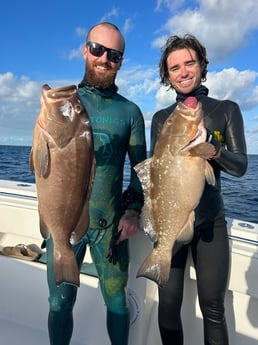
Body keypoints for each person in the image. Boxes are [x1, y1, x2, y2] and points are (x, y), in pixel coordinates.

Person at [45, 22, 146, 345]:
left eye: (114, 55)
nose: (105, 59)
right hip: (66, 222)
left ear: (121, 61)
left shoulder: (130, 112)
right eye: (98, 49)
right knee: (59, 302)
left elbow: (140, 171)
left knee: (117, 303)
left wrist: (132, 211)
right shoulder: (62, 105)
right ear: (85, 50)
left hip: (110, 227)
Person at [150, 34, 247, 345]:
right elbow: (155, 176)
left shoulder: (226, 109)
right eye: (174, 67)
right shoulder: (162, 119)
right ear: (167, 76)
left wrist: (213, 148)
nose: (183, 72)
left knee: (213, 307)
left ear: (203, 65)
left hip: (210, 224)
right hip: (172, 220)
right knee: (167, 306)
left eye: (189, 63)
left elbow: (241, 166)